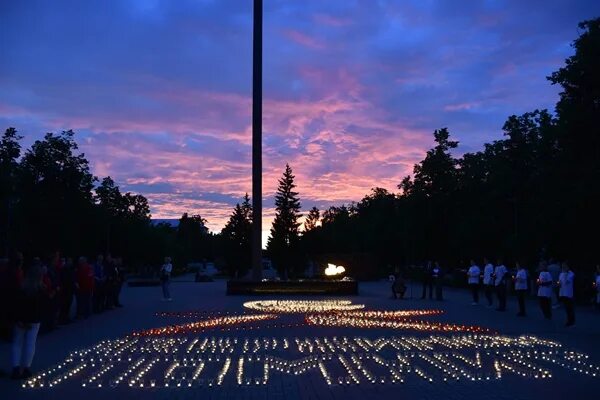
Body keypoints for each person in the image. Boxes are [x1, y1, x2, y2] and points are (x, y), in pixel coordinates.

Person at [11, 258, 48, 380]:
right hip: (33, 320)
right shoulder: (41, 289)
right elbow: (43, 306)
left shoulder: (22, 288)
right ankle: (26, 368)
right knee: (30, 343)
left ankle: (16, 368)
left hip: (21, 320)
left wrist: (18, 319)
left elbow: (16, 305)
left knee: (17, 343)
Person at [59, 257, 76, 324]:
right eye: (69, 261)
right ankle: (62, 318)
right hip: (65, 289)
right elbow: (64, 279)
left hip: (70, 289)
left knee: (68, 304)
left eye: (71, 261)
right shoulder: (64, 269)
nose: (70, 262)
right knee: (64, 304)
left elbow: (73, 277)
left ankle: (66, 317)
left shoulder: (72, 269)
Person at [558, 262, 575, 326]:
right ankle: (569, 320)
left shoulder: (571, 273)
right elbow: (560, 282)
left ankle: (571, 321)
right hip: (563, 292)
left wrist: (566, 273)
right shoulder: (561, 274)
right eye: (562, 266)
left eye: (564, 266)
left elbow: (567, 281)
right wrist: (559, 284)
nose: (563, 267)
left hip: (568, 293)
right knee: (566, 308)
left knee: (569, 307)